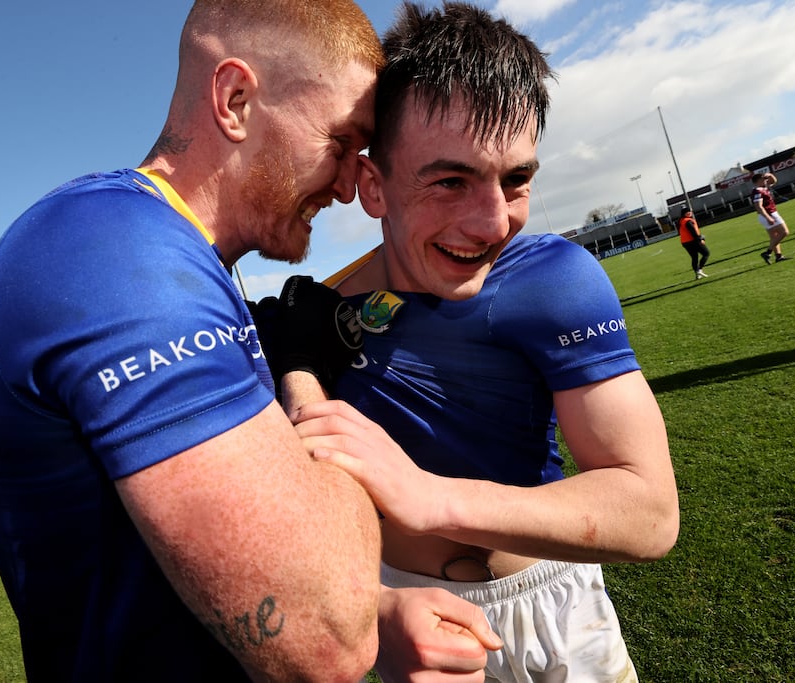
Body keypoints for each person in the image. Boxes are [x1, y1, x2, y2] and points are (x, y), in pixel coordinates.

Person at [0, 2, 501, 679]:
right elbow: (322, 638)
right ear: (236, 99)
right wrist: (303, 372)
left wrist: (382, 611)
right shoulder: (112, 252)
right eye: (340, 143)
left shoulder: (185, 262)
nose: (344, 184)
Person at [272, 3, 680, 681]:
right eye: (450, 180)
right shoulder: (319, 314)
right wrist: (375, 609)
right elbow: (287, 513)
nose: (493, 222)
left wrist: (431, 494)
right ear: (375, 187)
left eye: (516, 178)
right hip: (409, 624)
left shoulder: (555, 280)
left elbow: (649, 511)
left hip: (556, 612)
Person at [752, 171, 791, 263]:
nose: (766, 181)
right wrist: (768, 217)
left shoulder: (764, 188)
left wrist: (769, 175)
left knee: (774, 237)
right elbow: (758, 206)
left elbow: (774, 181)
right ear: (758, 180)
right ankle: (768, 252)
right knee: (785, 232)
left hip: (768, 214)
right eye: (764, 179)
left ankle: (778, 256)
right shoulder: (758, 190)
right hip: (769, 214)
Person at [677, 206, 709, 279]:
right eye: (689, 211)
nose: (691, 212)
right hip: (692, 241)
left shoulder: (681, 220)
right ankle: (700, 269)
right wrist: (700, 239)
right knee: (706, 253)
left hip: (685, 242)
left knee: (694, 257)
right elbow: (693, 232)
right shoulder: (688, 221)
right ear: (686, 213)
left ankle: (697, 274)